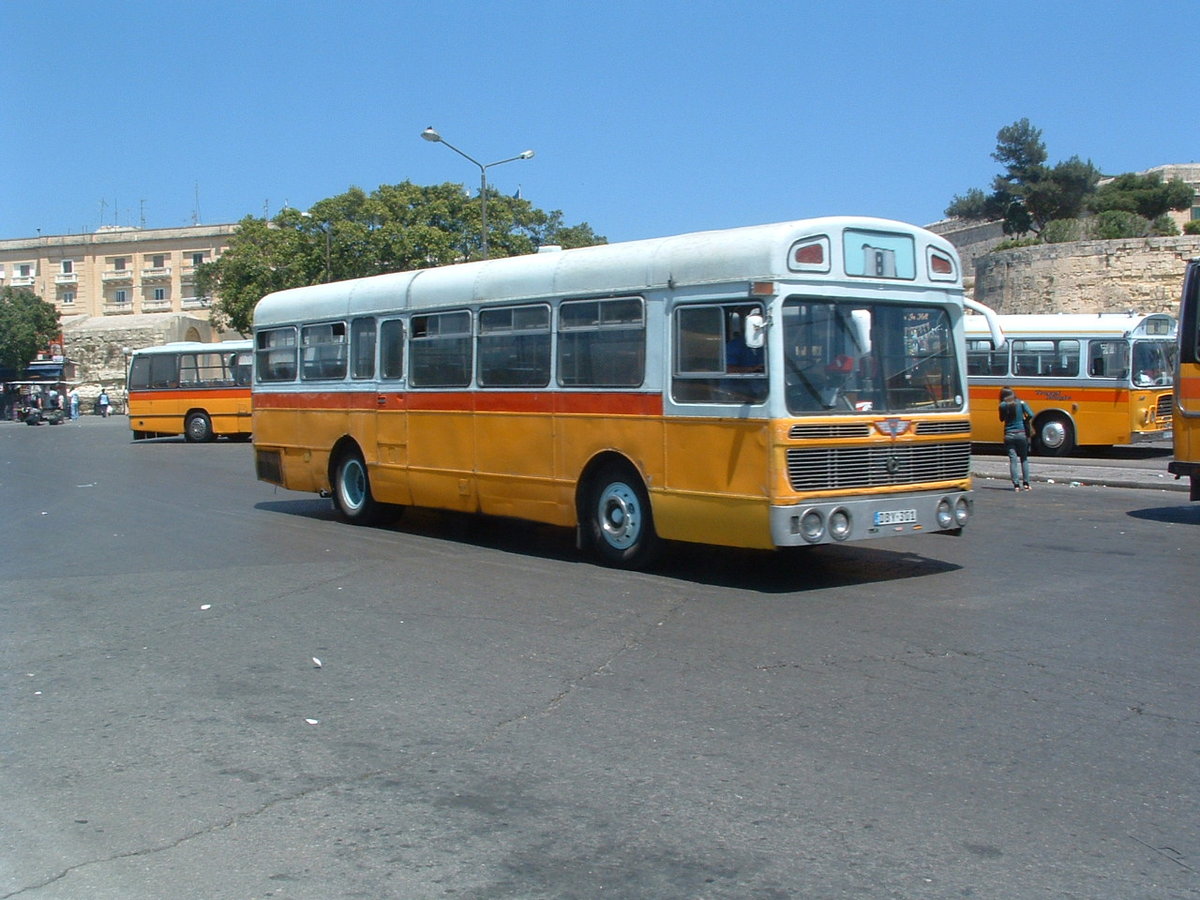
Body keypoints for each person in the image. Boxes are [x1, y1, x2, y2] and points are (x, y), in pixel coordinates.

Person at [999, 386, 1034, 491]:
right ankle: (1026, 484)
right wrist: (1025, 420)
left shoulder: (1002, 405)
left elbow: (1001, 419)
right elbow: (1031, 414)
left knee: (1013, 460)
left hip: (1009, 435)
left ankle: (1016, 485)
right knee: (1024, 458)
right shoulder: (1021, 403)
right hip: (1021, 434)